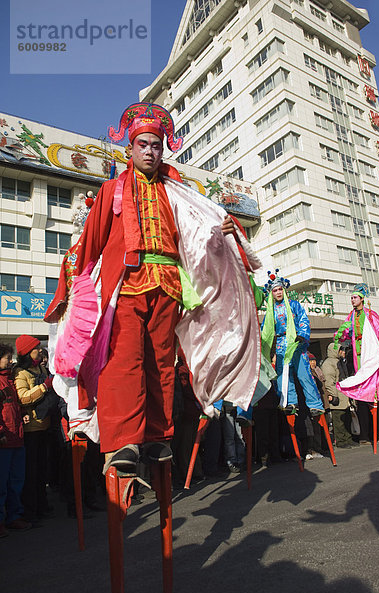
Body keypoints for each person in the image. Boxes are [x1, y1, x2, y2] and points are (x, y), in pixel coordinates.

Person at [45, 103, 262, 476]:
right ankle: (123, 441)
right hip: (125, 286)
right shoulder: (112, 189)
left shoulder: (179, 195)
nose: (149, 151)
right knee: (123, 361)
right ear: (130, 150)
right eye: (143, 144)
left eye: (156, 145)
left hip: (168, 287)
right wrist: (67, 291)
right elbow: (87, 246)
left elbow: (199, 238)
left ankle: (158, 436)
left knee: (162, 364)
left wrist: (225, 235)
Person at [261, 271, 324, 416]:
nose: (278, 292)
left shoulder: (294, 305)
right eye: (275, 290)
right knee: (284, 375)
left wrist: (302, 335)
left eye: (280, 289)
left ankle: (315, 404)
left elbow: (303, 320)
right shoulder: (270, 311)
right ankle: (290, 402)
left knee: (303, 375)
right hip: (281, 344)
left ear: (284, 290)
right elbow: (265, 329)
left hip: (296, 343)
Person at [334, 283, 379, 417]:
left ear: (362, 299)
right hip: (358, 353)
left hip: (370, 350)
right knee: (362, 380)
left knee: (374, 380)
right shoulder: (351, 316)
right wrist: (340, 334)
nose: (352, 300)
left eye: (355, 297)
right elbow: (345, 332)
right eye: (351, 298)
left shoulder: (370, 314)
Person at [14, 335, 53, 522]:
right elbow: (23, 397)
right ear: (28, 352)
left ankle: (42, 505)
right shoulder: (20, 373)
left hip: (45, 425)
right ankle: (31, 510)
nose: (40, 350)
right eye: (36, 348)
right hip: (31, 430)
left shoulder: (41, 368)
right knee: (31, 472)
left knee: (42, 470)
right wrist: (44, 387)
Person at [0, 343, 32, 536]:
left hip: (17, 438)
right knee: (1, 484)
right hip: (4, 441)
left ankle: (14, 516)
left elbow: (14, 407)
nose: (10, 360)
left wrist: (24, 414)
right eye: (6, 357)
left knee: (15, 481)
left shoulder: (10, 380)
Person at [321, 343, 356, 448]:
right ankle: (341, 441)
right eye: (341, 350)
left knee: (347, 419)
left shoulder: (340, 362)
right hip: (337, 395)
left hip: (344, 394)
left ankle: (348, 438)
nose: (343, 352)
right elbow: (329, 380)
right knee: (338, 420)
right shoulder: (328, 363)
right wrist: (333, 395)